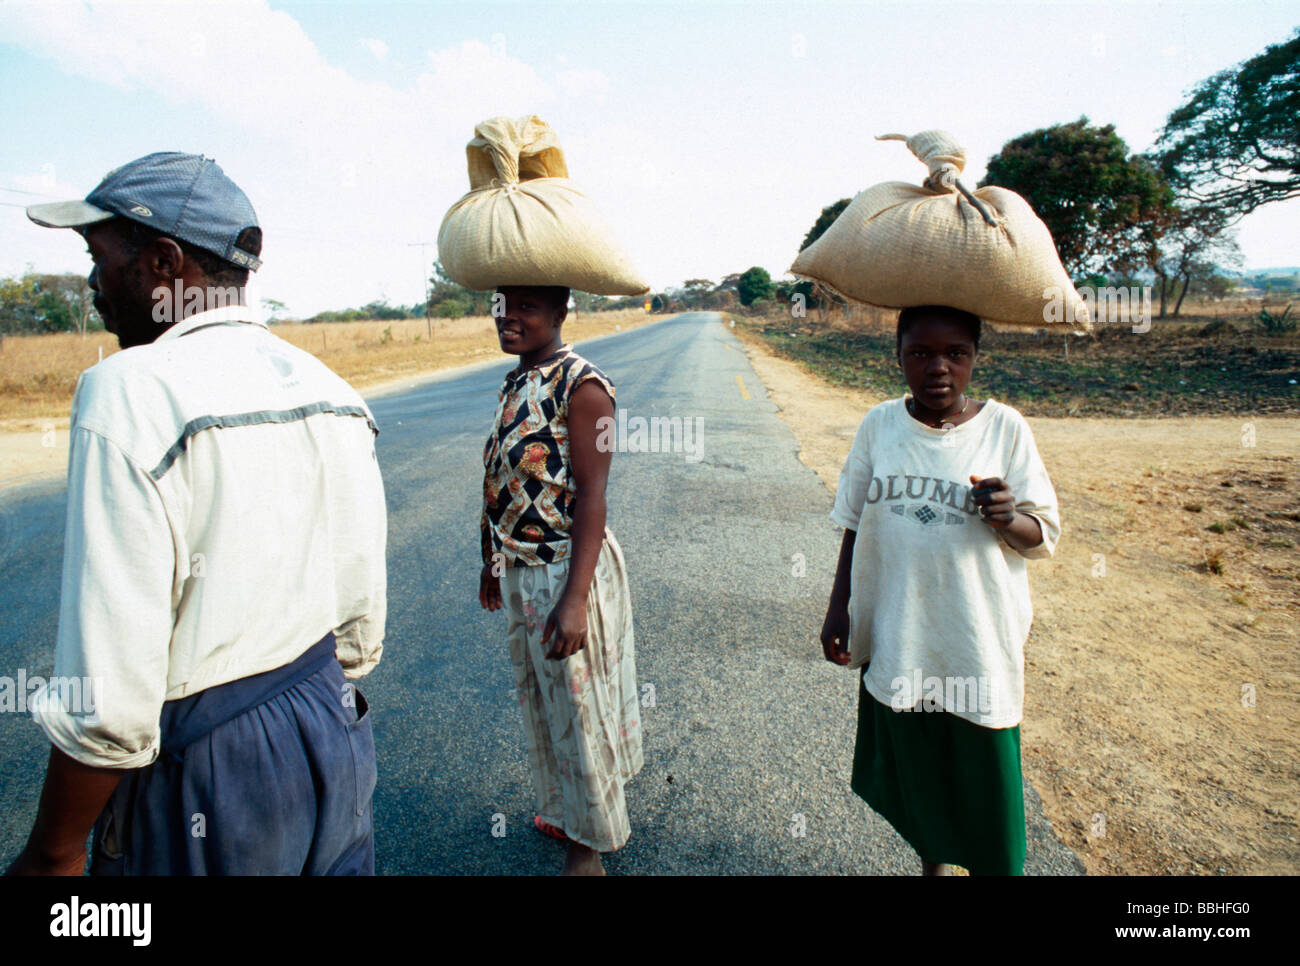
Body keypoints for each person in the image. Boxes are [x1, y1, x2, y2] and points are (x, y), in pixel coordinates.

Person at [7, 152, 387, 876]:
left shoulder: (126, 391)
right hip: (331, 729)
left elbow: (108, 702)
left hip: (207, 768)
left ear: (163, 261)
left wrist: (53, 854)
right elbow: (359, 624)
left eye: (100, 258)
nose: (92, 285)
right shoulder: (332, 389)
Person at [819, 304, 1061, 876]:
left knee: (985, 777)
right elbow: (855, 523)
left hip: (975, 637)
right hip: (903, 630)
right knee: (920, 766)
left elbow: (1042, 533)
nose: (938, 369)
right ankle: (933, 866)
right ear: (898, 355)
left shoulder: (1005, 427)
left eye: (956, 353)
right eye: (920, 353)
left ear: (976, 357)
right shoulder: (880, 424)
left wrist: (1007, 515)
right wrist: (839, 608)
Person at [478, 285, 642, 876]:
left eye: (525, 306)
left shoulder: (585, 387)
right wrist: (492, 561)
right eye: (503, 305)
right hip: (525, 570)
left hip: (568, 571)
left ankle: (587, 849)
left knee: (577, 709)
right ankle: (567, 810)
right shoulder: (517, 380)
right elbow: (503, 480)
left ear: (559, 312)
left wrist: (574, 600)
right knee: (546, 706)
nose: (509, 318)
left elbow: (594, 496)